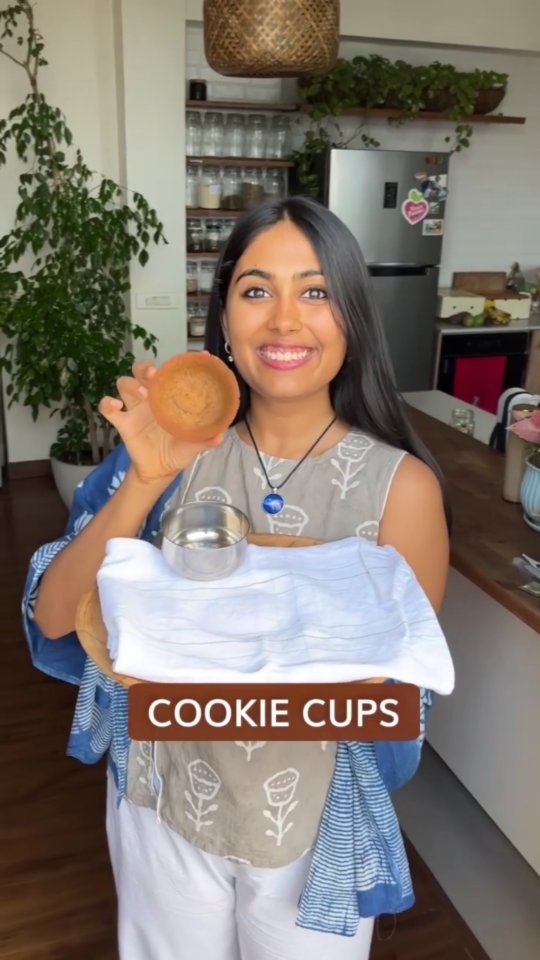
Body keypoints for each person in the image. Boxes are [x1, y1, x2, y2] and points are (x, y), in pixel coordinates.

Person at [24, 196, 449, 960]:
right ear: (223, 318)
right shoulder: (171, 454)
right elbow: (56, 616)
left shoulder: (401, 489)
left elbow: (393, 705)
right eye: (257, 290)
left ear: (352, 317)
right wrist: (146, 479)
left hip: (314, 822)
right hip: (162, 802)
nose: (285, 321)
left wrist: (204, 667)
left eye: (315, 292)